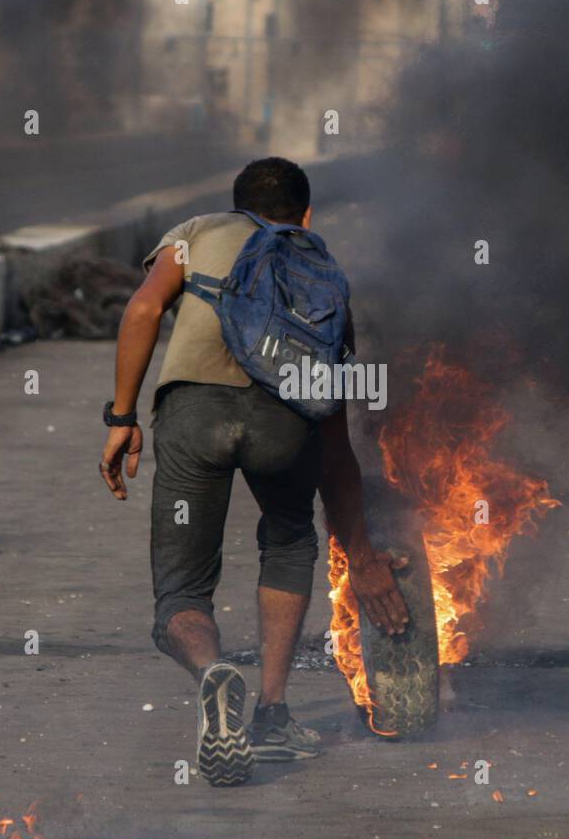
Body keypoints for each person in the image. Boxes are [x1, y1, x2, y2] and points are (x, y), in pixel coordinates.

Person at [99, 157, 410, 786]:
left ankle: (213, 670)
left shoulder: (199, 233)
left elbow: (141, 311)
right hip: (283, 425)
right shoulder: (321, 272)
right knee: (290, 540)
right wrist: (365, 554)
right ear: (307, 216)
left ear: (236, 206)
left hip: (193, 417)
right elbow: (334, 438)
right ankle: (272, 714)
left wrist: (121, 417)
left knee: (182, 592)